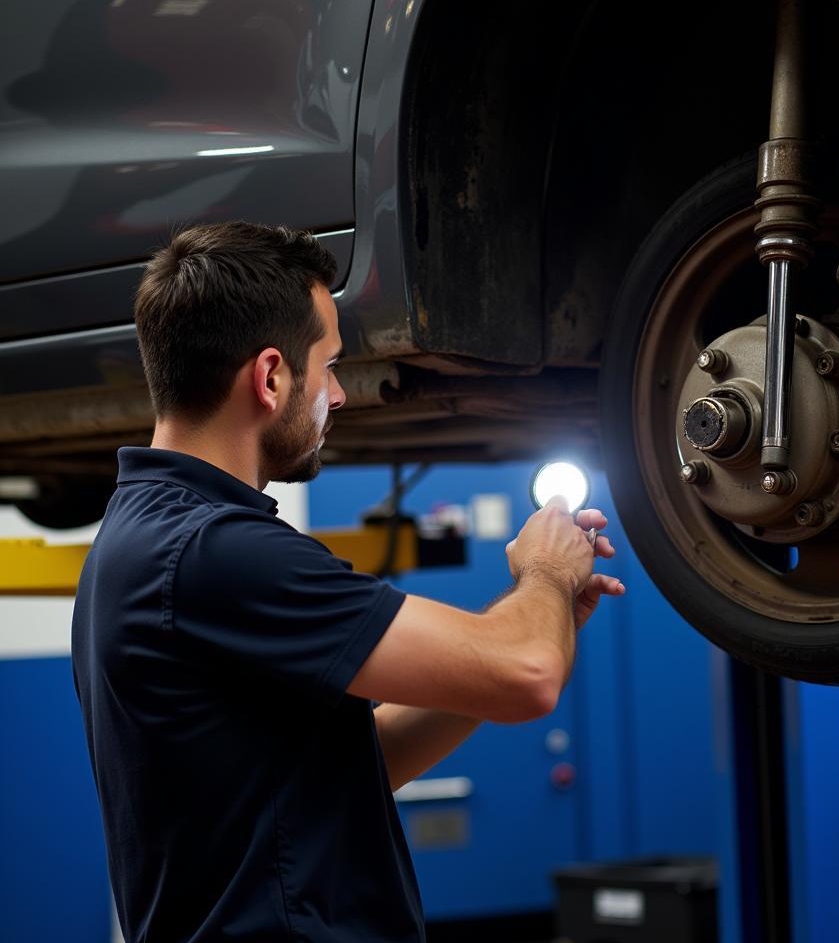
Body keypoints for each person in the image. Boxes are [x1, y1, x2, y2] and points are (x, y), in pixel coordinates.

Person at [71, 221, 626, 943]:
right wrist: (545, 577)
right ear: (270, 377)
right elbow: (529, 675)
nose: (336, 393)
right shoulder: (216, 552)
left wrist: (531, 612)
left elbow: (353, 770)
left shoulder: (147, 537)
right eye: (327, 365)